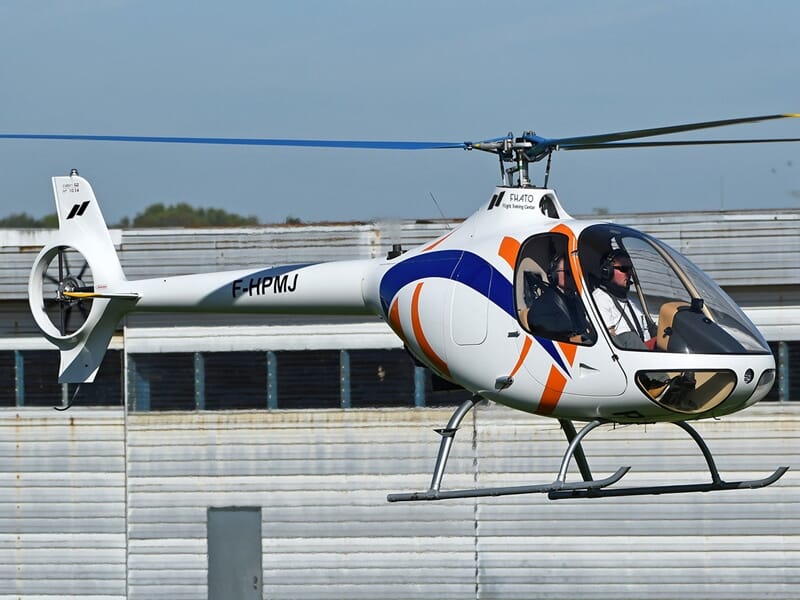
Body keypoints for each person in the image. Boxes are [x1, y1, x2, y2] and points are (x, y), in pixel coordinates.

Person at [522, 253, 593, 344]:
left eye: (574, 272)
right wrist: (570, 339)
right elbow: (543, 335)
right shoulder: (545, 303)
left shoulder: (575, 299)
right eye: (568, 272)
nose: (573, 276)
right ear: (554, 275)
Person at [592, 249, 653, 350]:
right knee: (630, 337)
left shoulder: (632, 301)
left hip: (642, 352)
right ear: (608, 271)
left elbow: (646, 336)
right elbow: (608, 339)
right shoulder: (600, 298)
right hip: (624, 358)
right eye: (624, 269)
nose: (629, 273)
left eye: (630, 269)